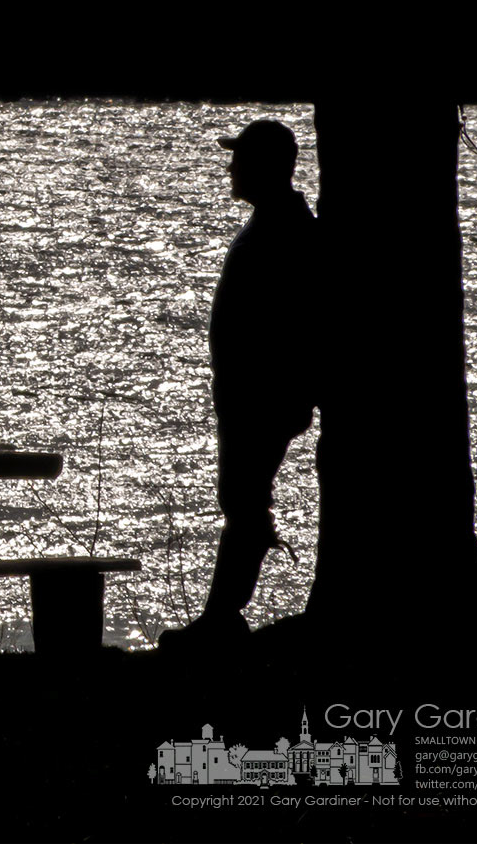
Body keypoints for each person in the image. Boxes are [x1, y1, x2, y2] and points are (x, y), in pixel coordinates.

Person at [161, 119, 318, 649]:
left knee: (244, 499)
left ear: (265, 167)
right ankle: (223, 616)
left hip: (263, 397)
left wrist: (278, 389)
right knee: (242, 497)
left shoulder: (286, 230)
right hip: (249, 395)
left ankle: (223, 619)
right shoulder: (277, 223)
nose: (230, 168)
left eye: (240, 159)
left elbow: (292, 323)